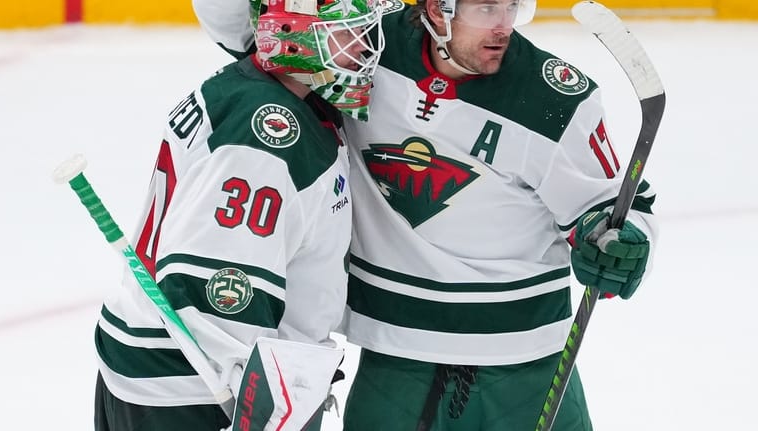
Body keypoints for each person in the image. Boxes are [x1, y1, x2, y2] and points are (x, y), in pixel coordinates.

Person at [193, 0, 659, 430]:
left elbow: (616, 208)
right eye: (487, 6)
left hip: (527, 369)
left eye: (513, 5)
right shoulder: (362, 47)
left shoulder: (555, 98)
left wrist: (621, 242)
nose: (504, 25)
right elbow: (257, 33)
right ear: (437, 8)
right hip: (395, 363)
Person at [92, 0, 384, 430]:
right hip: (193, 389)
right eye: (347, 31)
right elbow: (220, 291)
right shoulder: (267, 133)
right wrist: (264, 404)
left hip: (164, 373)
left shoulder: (265, 90)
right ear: (295, 32)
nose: (366, 48)